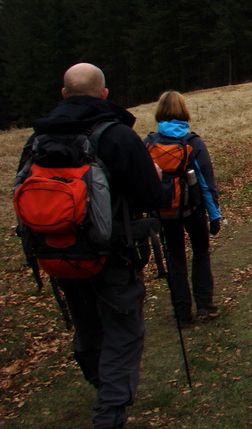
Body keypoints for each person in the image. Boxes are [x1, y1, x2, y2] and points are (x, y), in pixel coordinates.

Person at [17, 63, 169, 429]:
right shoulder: (116, 135)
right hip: (112, 253)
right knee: (124, 332)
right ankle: (110, 412)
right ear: (104, 94)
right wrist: (159, 179)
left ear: (63, 94)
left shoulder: (37, 139)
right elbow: (152, 197)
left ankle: (104, 385)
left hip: (58, 253)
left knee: (87, 327)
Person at [145, 91, 222, 326]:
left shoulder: (148, 143)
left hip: (165, 213)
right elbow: (207, 183)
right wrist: (215, 215)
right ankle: (205, 306)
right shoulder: (193, 143)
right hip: (193, 211)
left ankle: (182, 314)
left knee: (175, 259)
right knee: (200, 253)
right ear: (183, 112)